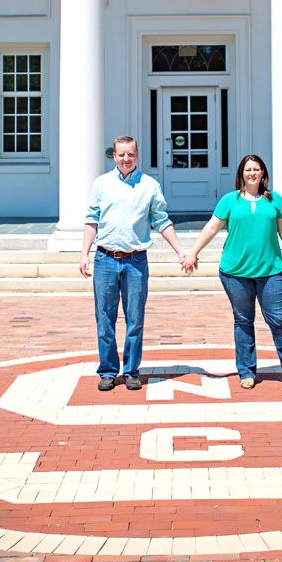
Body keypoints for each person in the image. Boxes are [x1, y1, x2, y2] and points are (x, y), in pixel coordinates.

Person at [184, 154, 282, 390]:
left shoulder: (275, 200)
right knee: (243, 320)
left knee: (279, 320)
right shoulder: (230, 201)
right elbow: (211, 227)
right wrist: (193, 252)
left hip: (270, 271)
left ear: (263, 173)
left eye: (256, 169)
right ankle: (247, 371)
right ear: (241, 173)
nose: (252, 173)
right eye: (248, 169)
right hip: (235, 272)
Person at [80, 135, 188, 392]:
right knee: (104, 319)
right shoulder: (101, 184)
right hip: (105, 259)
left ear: (137, 155)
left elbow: (162, 221)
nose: (126, 159)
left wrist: (181, 251)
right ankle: (107, 371)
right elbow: (91, 220)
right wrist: (84, 253)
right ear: (114, 156)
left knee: (135, 319)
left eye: (130, 154)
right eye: (121, 154)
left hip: (136, 262)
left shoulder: (149, 185)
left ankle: (130, 370)